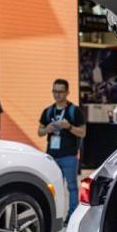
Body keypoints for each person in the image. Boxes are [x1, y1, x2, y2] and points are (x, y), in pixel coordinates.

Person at [38, 79, 86, 222]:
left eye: (60, 91)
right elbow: (40, 132)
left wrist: (69, 127)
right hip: (51, 156)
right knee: (53, 187)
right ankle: (54, 216)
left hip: (69, 156)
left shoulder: (74, 111)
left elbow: (83, 132)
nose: (57, 94)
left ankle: (72, 215)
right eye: (55, 91)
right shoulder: (48, 111)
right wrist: (48, 129)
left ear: (67, 92)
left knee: (71, 187)